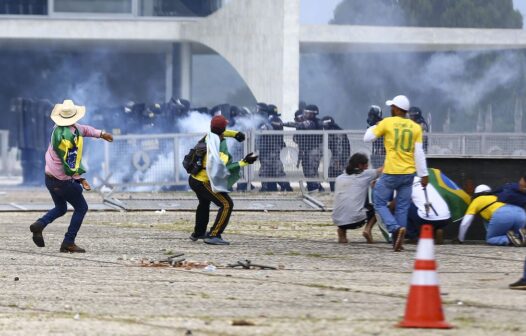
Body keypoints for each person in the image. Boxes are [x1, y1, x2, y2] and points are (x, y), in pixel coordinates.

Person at [29, 99, 114, 253]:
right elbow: (70, 163)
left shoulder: (61, 128)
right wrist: (80, 179)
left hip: (49, 178)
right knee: (82, 207)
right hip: (62, 180)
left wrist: (101, 134)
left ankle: (40, 225)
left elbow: (85, 130)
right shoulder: (66, 139)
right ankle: (68, 242)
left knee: (61, 208)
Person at [363, 95, 429, 252]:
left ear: (398, 109)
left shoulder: (387, 123)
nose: (390, 109)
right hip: (409, 173)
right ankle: (397, 240)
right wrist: (424, 175)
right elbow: (419, 153)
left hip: (392, 171)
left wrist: (377, 125)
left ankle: (393, 228)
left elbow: (367, 138)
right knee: (402, 207)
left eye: (392, 106)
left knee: (379, 201)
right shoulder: (415, 127)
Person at [188, 115, 258, 245]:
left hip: (193, 179)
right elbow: (224, 168)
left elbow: (220, 132)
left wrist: (235, 134)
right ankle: (214, 235)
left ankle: (198, 233)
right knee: (226, 204)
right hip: (203, 182)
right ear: (223, 128)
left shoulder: (208, 136)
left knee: (204, 203)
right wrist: (245, 162)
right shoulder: (220, 148)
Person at [332, 153, 381, 244]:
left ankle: (342, 233)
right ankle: (368, 229)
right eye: (366, 165)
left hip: (337, 220)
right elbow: (383, 170)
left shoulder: (339, 178)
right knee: (379, 207)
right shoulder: (365, 174)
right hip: (356, 220)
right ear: (360, 165)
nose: (368, 167)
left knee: (346, 202)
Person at [458, 184, 526, 246]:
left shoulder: (477, 200)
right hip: (520, 213)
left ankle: (508, 239)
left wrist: (460, 239)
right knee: (517, 236)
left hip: (503, 214)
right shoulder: (497, 196)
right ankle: (521, 236)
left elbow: (465, 223)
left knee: (491, 239)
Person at [406, 175, 452, 244]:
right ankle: (436, 231)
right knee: (426, 207)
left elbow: (396, 203)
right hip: (446, 218)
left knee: (404, 206)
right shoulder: (427, 182)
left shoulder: (405, 185)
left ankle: (413, 236)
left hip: (427, 219)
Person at [321, 116, 351, 192]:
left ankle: (336, 192)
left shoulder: (337, 132)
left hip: (340, 158)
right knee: (333, 174)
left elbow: (339, 148)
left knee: (334, 174)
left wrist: (338, 161)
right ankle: (336, 191)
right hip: (339, 157)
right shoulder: (334, 131)